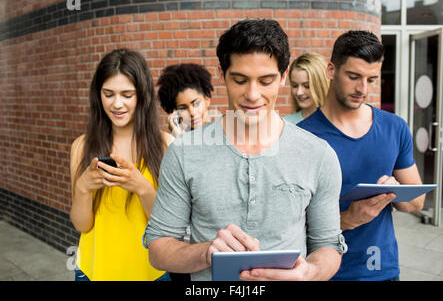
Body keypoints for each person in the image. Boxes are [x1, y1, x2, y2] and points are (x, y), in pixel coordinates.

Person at [144, 19, 347, 281]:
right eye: (240, 80)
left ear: (284, 77)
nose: (252, 94)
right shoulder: (183, 153)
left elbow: (328, 245)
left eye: (266, 81)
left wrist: (311, 272)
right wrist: (206, 253)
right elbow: (158, 250)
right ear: (222, 74)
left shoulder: (319, 155)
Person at [298, 30, 425, 281]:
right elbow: (287, 224)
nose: (362, 89)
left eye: (372, 79)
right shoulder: (301, 138)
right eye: (353, 77)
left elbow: (416, 202)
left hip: (382, 270)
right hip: (325, 272)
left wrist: (395, 190)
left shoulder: (394, 127)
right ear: (331, 70)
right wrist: (346, 219)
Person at [70, 48, 174, 281]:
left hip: (151, 273)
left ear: (142, 96)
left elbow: (169, 226)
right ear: (98, 95)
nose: (117, 104)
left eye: (127, 95)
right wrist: (83, 188)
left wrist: (142, 187)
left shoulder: (165, 144)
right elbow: (82, 225)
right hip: (94, 271)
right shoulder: (81, 147)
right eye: (109, 94)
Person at [157, 63, 214, 138]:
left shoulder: (223, 135)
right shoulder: (172, 142)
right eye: (183, 108)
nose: (192, 113)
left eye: (196, 104)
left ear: (207, 100)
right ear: (175, 113)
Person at [284, 53, 329, 124]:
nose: (299, 92)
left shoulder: (338, 122)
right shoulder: (285, 124)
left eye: (307, 86)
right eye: (295, 85)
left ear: (321, 85)